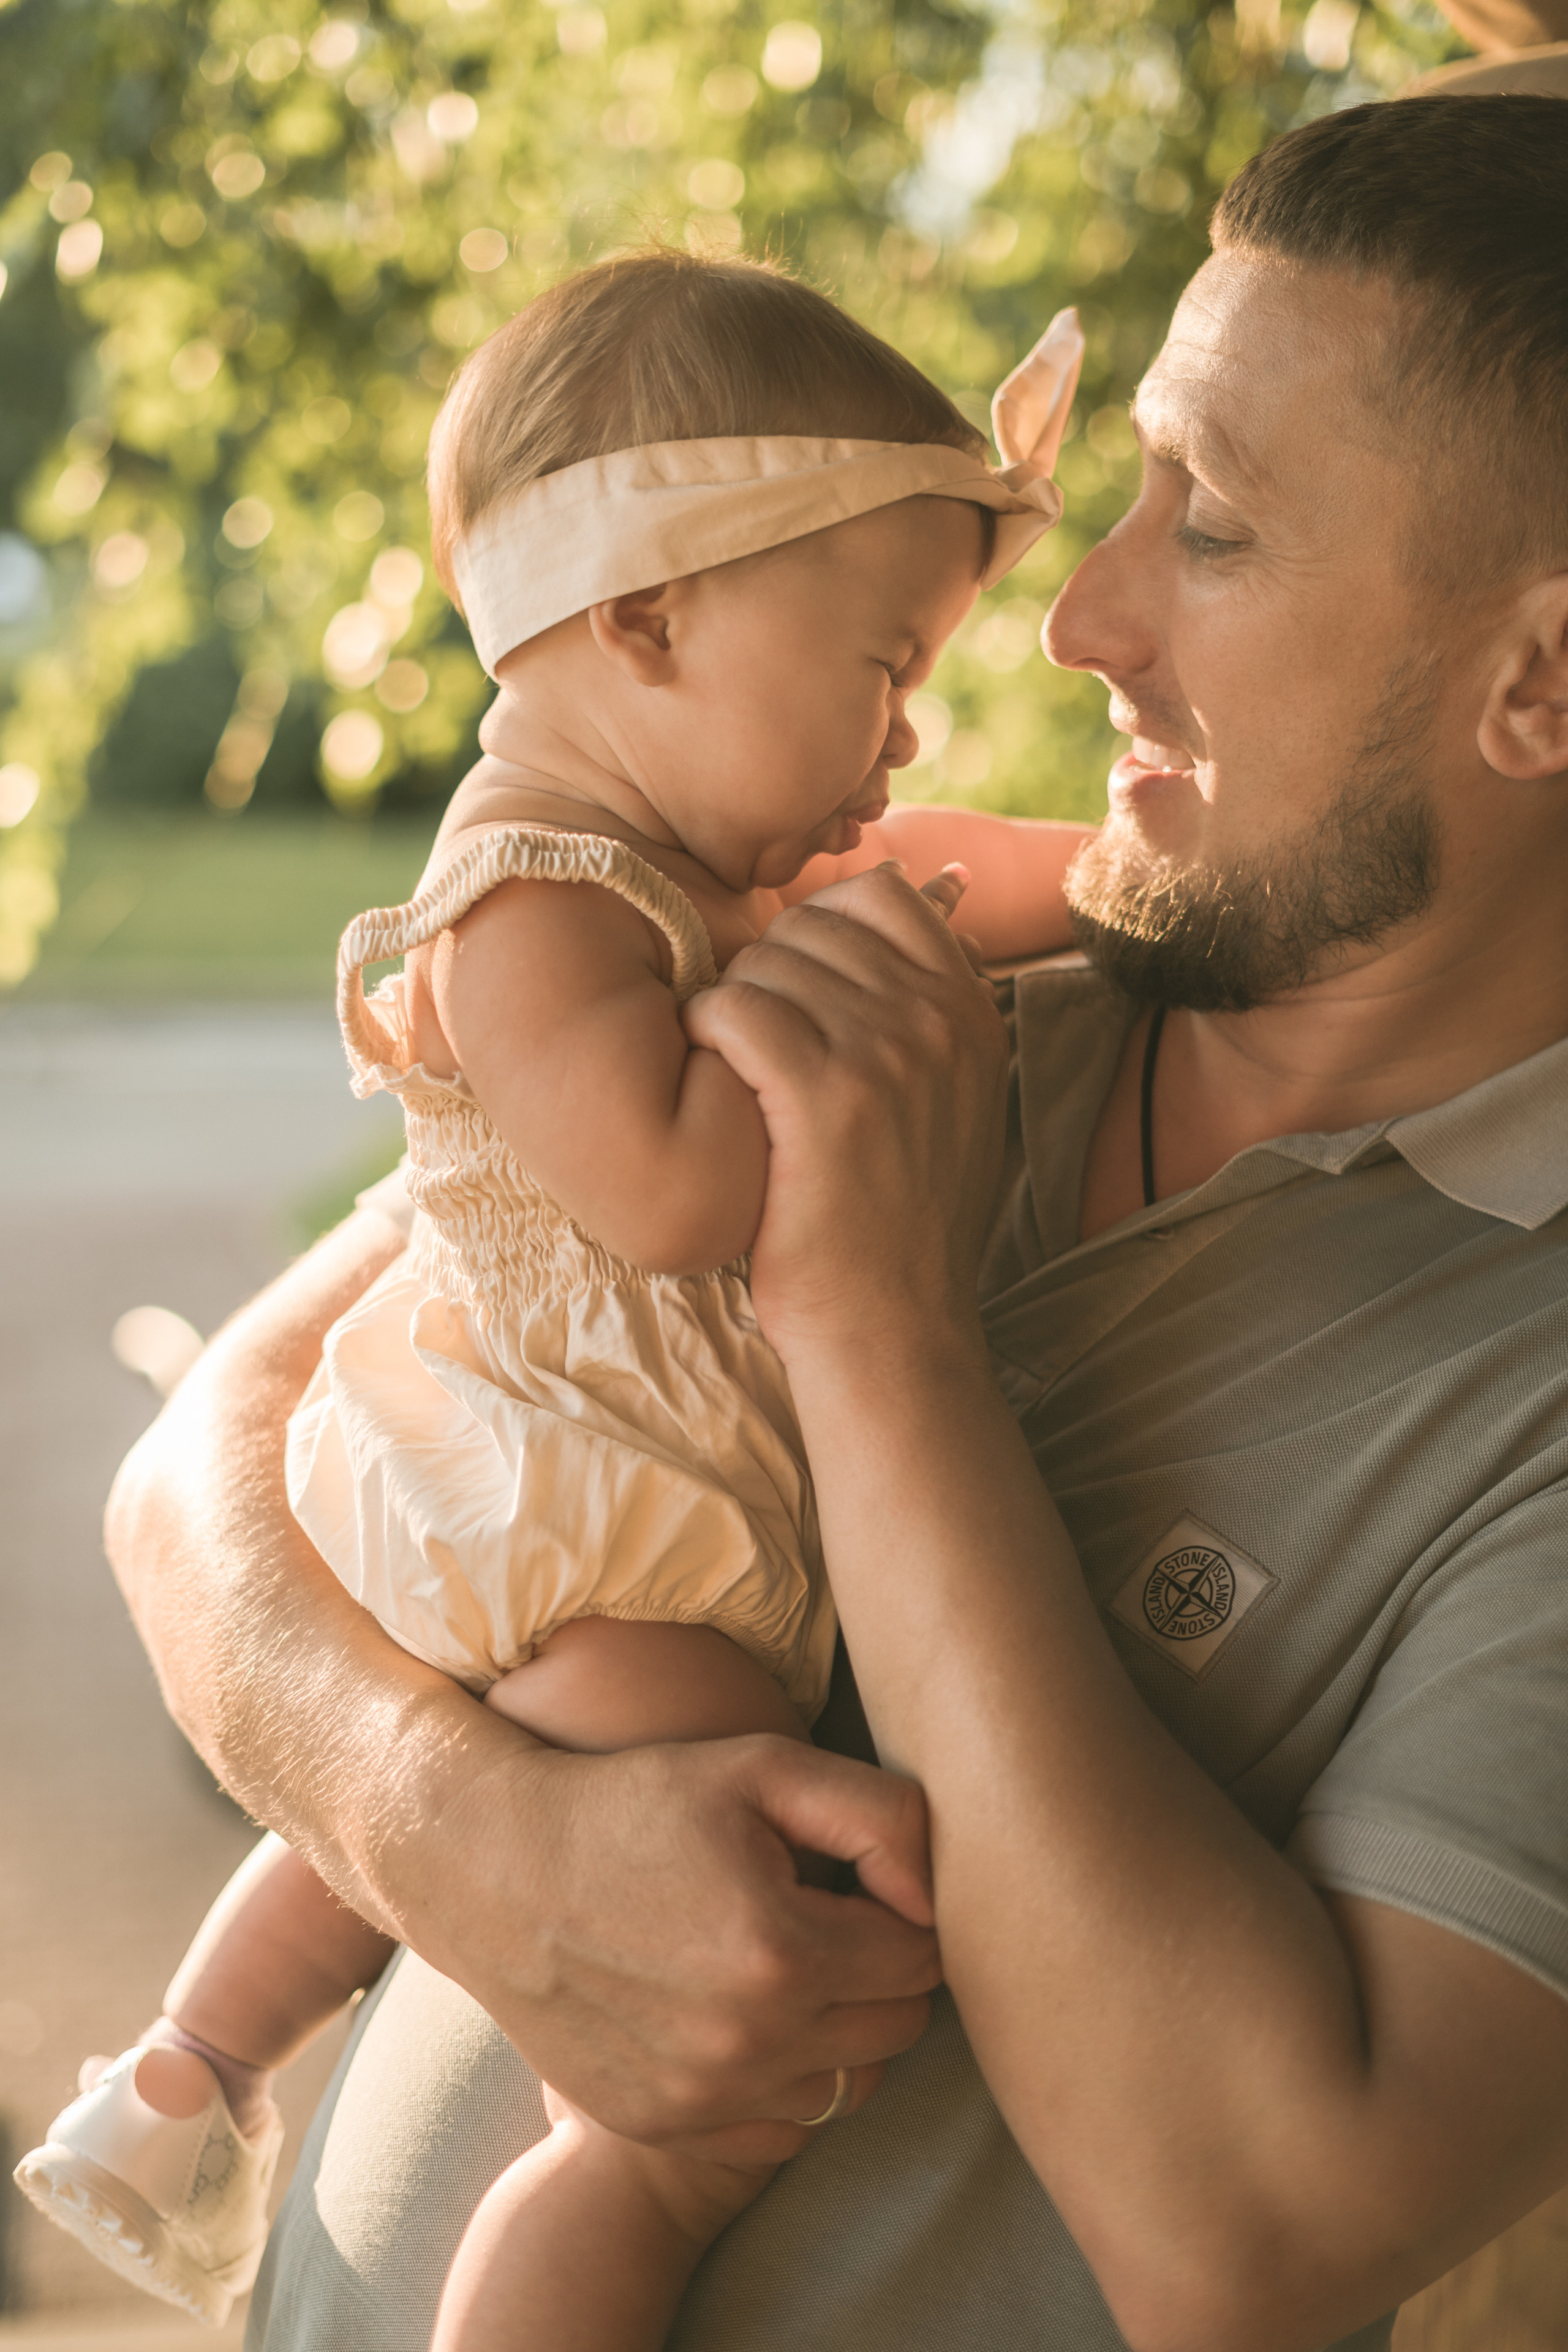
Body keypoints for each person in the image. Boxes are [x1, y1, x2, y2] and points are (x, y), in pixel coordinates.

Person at [102, 92, 1568, 2352]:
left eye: (1228, 532)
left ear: (1540, 682)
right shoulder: (910, 984)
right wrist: (444, 1818)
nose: (1083, 612)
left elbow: (1250, 2243)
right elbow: (204, 1465)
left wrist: (875, 1332)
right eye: (1139, 489)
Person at [15, 254, 1096, 2347]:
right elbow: (677, 1189)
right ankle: (538, 2282)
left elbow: (962, 861)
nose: (908, 728)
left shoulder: (691, 862)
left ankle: (189, 2069)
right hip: (587, 1510)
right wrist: (851, 1009)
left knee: (404, 1840)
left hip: (589, 1503)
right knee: (683, 2087)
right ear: (651, 616)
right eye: (880, 663)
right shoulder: (531, 893)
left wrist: (1113, 884)